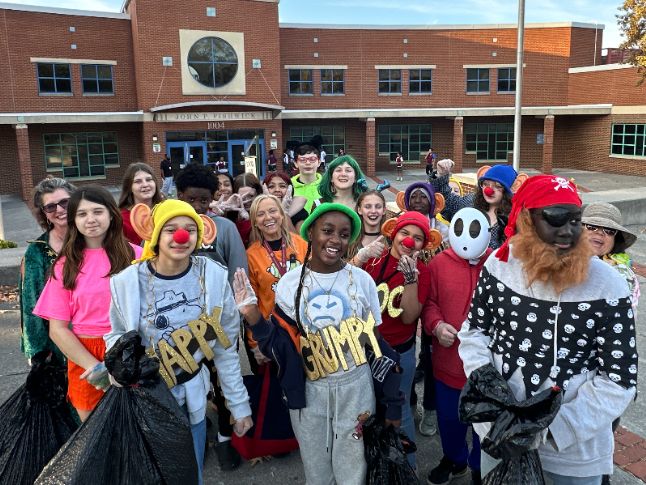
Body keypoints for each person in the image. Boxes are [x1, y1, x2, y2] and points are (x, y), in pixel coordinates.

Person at [458, 175, 638, 484]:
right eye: (555, 219)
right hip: (499, 436)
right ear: (527, 220)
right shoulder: (498, 266)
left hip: (573, 456)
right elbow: (475, 332)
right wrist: (493, 402)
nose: (568, 232)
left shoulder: (610, 286)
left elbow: (619, 379)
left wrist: (552, 430)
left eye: (576, 219)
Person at [233, 203, 404, 485]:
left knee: (353, 471)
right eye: (327, 231)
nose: (335, 240)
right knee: (317, 472)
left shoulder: (362, 281)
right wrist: (253, 316)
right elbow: (281, 347)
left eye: (344, 234)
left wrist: (393, 402)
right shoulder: (289, 284)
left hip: (356, 388)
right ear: (310, 232)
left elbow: (376, 347)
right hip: (309, 391)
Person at [106, 199, 252, 483]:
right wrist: (119, 365)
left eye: (189, 229)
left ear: (201, 234)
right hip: (148, 401)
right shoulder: (127, 282)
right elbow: (115, 335)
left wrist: (239, 405)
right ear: (155, 234)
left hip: (192, 397)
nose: (181, 237)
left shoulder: (212, 276)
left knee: (190, 475)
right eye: (171, 229)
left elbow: (225, 348)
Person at [33, 185, 141, 421]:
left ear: (111, 214)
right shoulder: (65, 266)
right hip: (86, 356)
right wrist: (95, 367)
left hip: (131, 350)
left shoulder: (138, 257)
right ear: (73, 221)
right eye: (82, 214)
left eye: (97, 211)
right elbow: (57, 329)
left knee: (135, 431)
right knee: (96, 437)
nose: (90, 219)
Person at [174, 162, 249, 470]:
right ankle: (192, 441)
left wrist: (235, 318)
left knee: (221, 382)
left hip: (217, 323)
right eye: (190, 199)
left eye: (203, 200)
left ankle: (225, 439)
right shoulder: (168, 230)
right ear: (178, 196)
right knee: (183, 383)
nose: (197, 206)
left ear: (213, 198)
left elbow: (238, 274)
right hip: (179, 325)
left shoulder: (225, 229)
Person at [362, 211, 442, 469]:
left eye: (417, 238)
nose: (409, 241)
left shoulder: (423, 272)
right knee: (367, 409)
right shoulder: (373, 262)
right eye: (405, 233)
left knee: (401, 410)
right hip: (365, 351)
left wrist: (411, 279)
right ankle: (373, 464)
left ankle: (407, 468)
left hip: (400, 354)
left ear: (423, 245)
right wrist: (359, 257)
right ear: (394, 234)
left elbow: (409, 318)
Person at [424, 208, 492, 485]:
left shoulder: (498, 263)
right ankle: (455, 458)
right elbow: (429, 302)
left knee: (484, 422)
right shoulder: (438, 263)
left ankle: (479, 465)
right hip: (448, 362)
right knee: (450, 419)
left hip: (487, 366)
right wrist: (437, 325)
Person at [20, 177, 76, 362]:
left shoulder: (93, 238)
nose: (59, 210)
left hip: (97, 333)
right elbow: (31, 305)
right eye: (51, 207)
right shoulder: (37, 251)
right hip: (58, 344)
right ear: (44, 213)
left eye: (65, 202)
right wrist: (39, 352)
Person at [432, 162, 524, 248]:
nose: (489, 190)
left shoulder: (517, 218)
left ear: (510, 190)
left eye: (498, 186)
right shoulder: (471, 203)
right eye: (485, 184)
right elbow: (448, 203)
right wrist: (442, 175)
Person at [582, 202, 640, 309]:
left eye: (609, 231)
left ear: (615, 241)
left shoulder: (622, 275)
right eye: (592, 226)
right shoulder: (556, 262)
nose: (599, 233)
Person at [118, 162, 164, 245]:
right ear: (129, 187)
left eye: (149, 179)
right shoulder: (121, 220)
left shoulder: (166, 210)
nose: (145, 185)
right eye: (138, 181)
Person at [231, 173, 262, 247]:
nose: (247, 200)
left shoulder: (265, 214)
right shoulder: (230, 215)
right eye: (242, 197)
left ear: (258, 194)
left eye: (251, 196)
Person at [291, 144, 322, 213]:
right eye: (302, 160)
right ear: (296, 163)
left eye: (312, 159)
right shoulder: (289, 187)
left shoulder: (327, 185)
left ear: (319, 162)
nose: (308, 163)